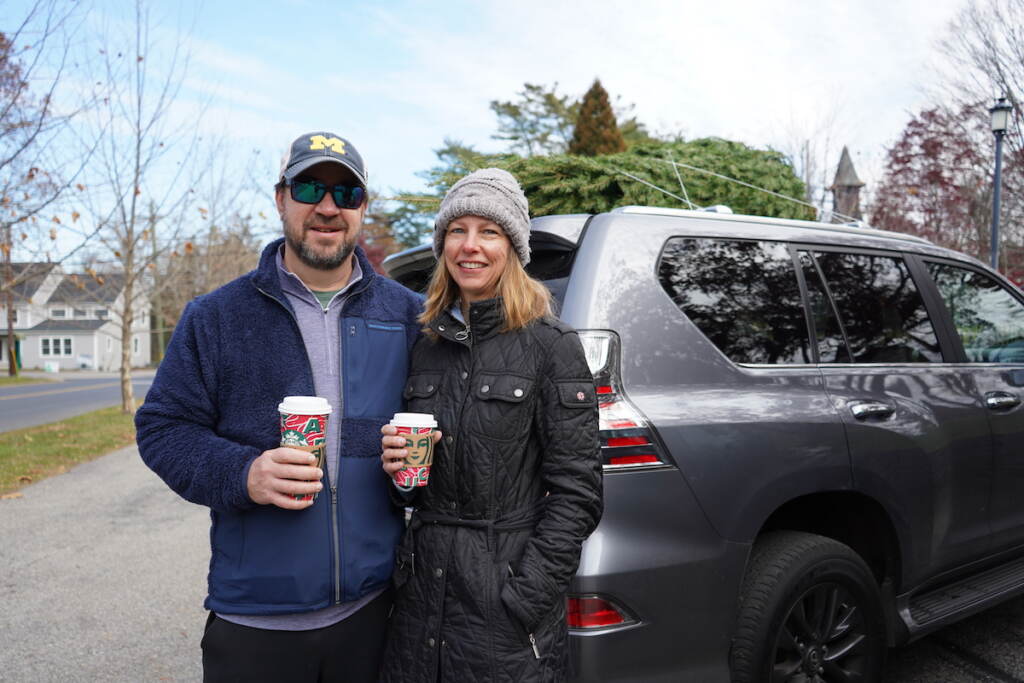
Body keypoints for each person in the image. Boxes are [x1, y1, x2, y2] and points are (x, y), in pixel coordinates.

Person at [135, 132, 424, 683]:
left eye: (347, 193)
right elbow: (162, 427)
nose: (328, 207)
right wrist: (243, 473)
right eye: (310, 187)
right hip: (254, 622)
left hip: (376, 613)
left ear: (364, 208)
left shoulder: (408, 315)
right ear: (280, 198)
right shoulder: (216, 317)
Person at [379, 168, 603, 682]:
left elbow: (579, 492)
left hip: (503, 606)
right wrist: (395, 472)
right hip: (420, 601)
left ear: (514, 247)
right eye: (457, 230)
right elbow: (409, 493)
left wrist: (527, 595)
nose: (470, 246)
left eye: (489, 232)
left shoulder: (552, 344)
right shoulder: (425, 344)